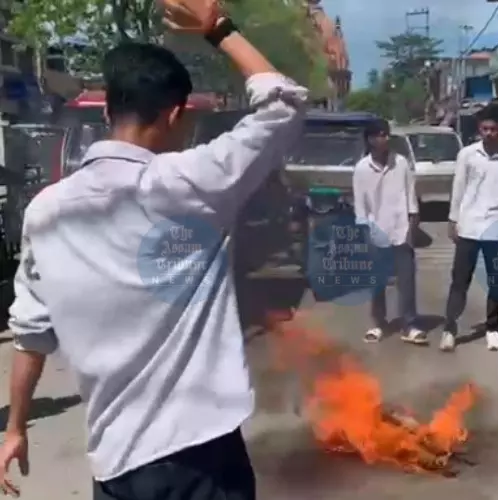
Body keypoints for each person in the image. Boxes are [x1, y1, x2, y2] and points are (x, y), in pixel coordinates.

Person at [0, 2, 304, 498]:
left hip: (115, 468)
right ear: (176, 115)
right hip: (201, 459)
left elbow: (30, 334)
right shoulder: (190, 181)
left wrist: (15, 428)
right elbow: (285, 104)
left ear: (107, 112)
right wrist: (219, 29)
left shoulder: (46, 212)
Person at [441, 105, 498, 352]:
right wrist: (453, 220)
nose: (488, 133)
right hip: (468, 225)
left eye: (493, 129)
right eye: (484, 129)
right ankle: (449, 329)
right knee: (460, 280)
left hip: (495, 226)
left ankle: (492, 329)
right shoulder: (467, 154)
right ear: (479, 130)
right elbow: (458, 188)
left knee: (495, 280)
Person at [353, 119, 422, 344]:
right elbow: (360, 207)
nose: (385, 139)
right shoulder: (362, 169)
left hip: (401, 229)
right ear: (370, 139)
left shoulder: (400, 163)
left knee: (407, 280)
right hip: (376, 231)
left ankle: (409, 324)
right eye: (380, 135)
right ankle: (378, 323)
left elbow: (411, 197)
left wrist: (413, 225)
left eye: (387, 134)